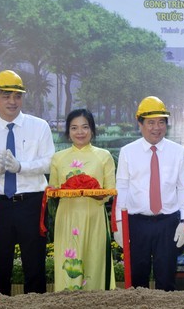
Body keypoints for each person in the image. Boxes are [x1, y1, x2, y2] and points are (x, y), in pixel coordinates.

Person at [114, 96, 184, 291]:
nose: (156, 128)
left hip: (168, 223)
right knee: (137, 280)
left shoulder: (178, 151)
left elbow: (183, 188)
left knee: (166, 280)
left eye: (161, 122)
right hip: (136, 222)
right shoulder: (127, 152)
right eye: (150, 123)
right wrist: (119, 225)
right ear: (139, 124)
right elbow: (121, 188)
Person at [0, 70, 54, 295]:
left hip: (32, 203)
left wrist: (21, 167)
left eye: (17, 96)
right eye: (6, 96)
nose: (12, 101)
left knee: (35, 264)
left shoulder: (39, 126)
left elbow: (49, 163)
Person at [49, 109, 116, 291]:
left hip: (94, 217)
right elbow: (53, 190)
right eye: (74, 128)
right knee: (68, 262)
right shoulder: (58, 158)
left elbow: (109, 191)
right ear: (68, 132)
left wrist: (93, 192)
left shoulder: (104, 156)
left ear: (92, 130)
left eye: (85, 127)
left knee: (94, 262)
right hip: (67, 217)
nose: (80, 132)